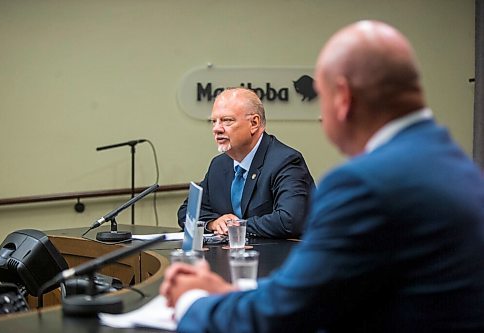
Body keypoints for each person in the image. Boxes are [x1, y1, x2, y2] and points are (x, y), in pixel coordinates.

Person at [161, 20, 484, 332]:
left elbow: (285, 312)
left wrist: (193, 300)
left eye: (321, 98)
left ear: (342, 98)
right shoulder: (455, 164)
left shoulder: (364, 183)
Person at [177, 88, 315, 238]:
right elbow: (186, 213)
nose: (216, 129)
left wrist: (236, 227)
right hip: (230, 258)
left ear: (254, 123)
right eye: (214, 121)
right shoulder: (219, 165)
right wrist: (213, 223)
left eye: (227, 120)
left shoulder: (285, 161)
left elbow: (290, 221)